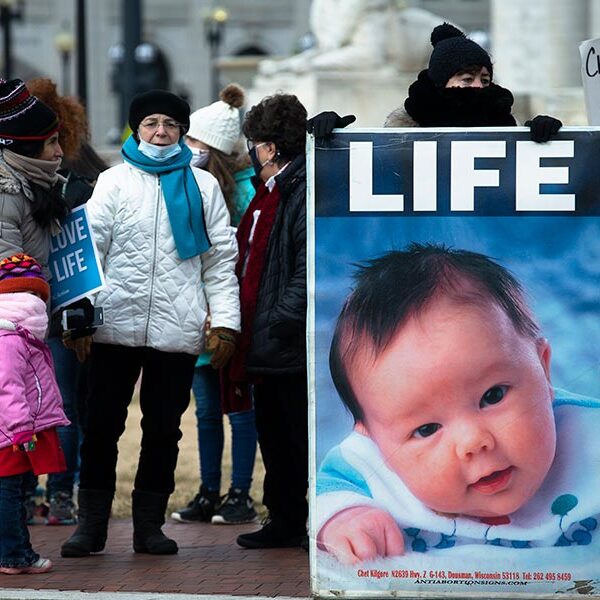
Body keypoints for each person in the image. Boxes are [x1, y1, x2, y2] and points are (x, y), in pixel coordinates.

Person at [317, 244, 600, 564]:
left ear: (543, 370)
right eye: (426, 429)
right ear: (374, 439)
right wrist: (343, 519)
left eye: (493, 396)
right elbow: (327, 494)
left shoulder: (590, 435)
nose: (474, 441)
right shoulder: (366, 468)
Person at [60, 89, 240, 558]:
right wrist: (78, 317)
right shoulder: (114, 182)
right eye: (151, 123)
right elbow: (89, 251)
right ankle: (91, 526)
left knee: (164, 431)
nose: (161, 132)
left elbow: (219, 262)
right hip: (112, 327)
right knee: (101, 428)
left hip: (176, 331)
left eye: (170, 124)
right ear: (136, 129)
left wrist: (225, 323)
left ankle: (148, 528)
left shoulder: (202, 187)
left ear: (182, 130)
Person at [224, 93, 309, 549]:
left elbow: (303, 262)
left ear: (271, 147)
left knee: (293, 436)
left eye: (255, 143)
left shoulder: (298, 190)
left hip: (285, 340)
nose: (252, 152)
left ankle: (296, 519)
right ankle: (285, 517)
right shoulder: (271, 192)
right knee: (274, 436)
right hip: (267, 339)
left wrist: (282, 318)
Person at [170, 83, 257, 526]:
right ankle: (208, 491)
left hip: (232, 318)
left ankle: (239, 493)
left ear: (216, 149)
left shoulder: (245, 192)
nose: (188, 148)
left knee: (238, 407)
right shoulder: (193, 186)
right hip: (196, 316)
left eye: (195, 142)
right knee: (205, 411)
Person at [24, 77, 109, 526]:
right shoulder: (20, 172)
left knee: (58, 404)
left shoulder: (74, 170)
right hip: (36, 307)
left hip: (57, 308)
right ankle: (38, 492)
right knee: (43, 404)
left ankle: (53, 492)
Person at [306, 23, 562, 142]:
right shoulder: (402, 129)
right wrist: (330, 140)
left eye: (485, 80)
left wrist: (545, 139)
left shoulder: (506, 127)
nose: (478, 87)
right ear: (441, 83)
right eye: (466, 79)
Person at [0, 254, 70, 575]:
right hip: (11, 437)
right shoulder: (11, 340)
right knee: (10, 495)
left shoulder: (16, 336)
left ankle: (15, 551)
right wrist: (21, 431)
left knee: (17, 492)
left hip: (14, 433)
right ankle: (15, 555)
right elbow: (8, 389)